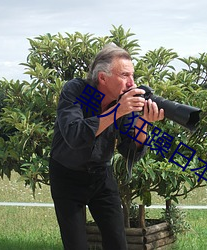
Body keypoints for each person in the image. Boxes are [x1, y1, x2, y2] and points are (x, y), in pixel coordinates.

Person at [49, 44, 164, 250]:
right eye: (125, 75)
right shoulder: (76, 90)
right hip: (67, 177)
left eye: (133, 75)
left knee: (118, 243)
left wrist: (144, 121)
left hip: (101, 176)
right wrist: (117, 111)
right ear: (102, 78)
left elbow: (130, 149)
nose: (132, 83)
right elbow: (75, 135)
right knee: (75, 245)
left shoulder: (122, 103)